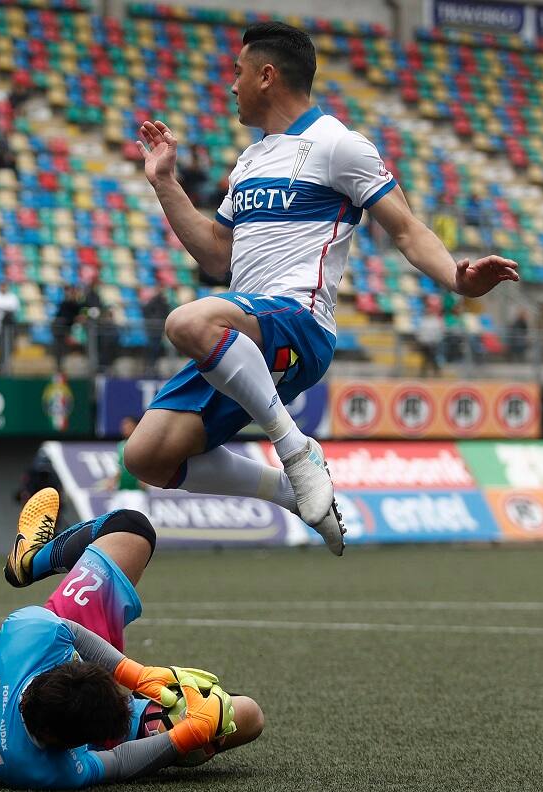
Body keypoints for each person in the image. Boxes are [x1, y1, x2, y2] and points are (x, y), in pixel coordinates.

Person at [128, 22, 518, 555]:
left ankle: (293, 449)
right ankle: (288, 490)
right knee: (148, 457)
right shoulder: (249, 161)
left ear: (266, 76)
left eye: (237, 73)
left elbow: (404, 227)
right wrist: (165, 182)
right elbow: (218, 253)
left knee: (187, 321)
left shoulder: (338, 145)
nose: (230, 85)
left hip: (298, 324)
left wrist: (456, 277)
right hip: (243, 335)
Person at [0, 489, 263, 788]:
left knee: (130, 527)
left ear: (63, 669)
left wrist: (137, 675)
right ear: (65, 744)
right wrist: (184, 737)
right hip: (63, 710)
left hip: (43, 658)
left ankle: (30, 560)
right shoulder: (45, 771)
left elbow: (71, 631)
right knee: (248, 715)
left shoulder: (31, 630)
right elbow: (120, 761)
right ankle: (156, 720)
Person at [109, 416, 146, 514]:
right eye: (123, 426)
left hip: (136, 491)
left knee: (137, 522)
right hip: (120, 491)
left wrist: (145, 479)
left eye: (128, 425)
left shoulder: (143, 444)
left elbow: (148, 463)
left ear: (135, 427)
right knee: (111, 521)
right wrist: (113, 481)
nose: (124, 428)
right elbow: (120, 467)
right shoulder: (121, 445)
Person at [51, 285, 85, 369]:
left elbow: (83, 312)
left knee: (62, 350)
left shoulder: (76, 304)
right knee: (60, 350)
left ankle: (61, 366)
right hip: (61, 329)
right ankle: (59, 367)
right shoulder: (66, 304)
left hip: (66, 329)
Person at [141, 288, 171, 376]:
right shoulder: (155, 302)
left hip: (157, 330)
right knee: (152, 349)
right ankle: (150, 368)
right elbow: (146, 311)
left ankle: (152, 368)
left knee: (155, 349)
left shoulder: (162, 303)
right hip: (153, 329)